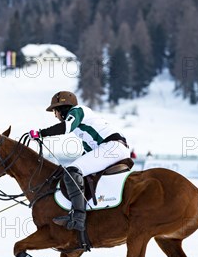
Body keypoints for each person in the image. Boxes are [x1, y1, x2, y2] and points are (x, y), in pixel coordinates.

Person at [29, 91, 130, 232]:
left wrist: (41, 133)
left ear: (62, 108)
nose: (55, 115)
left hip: (111, 147)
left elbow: (65, 127)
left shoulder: (77, 111)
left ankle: (78, 218)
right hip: (113, 148)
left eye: (55, 111)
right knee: (75, 171)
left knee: (72, 171)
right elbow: (87, 154)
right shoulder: (84, 127)